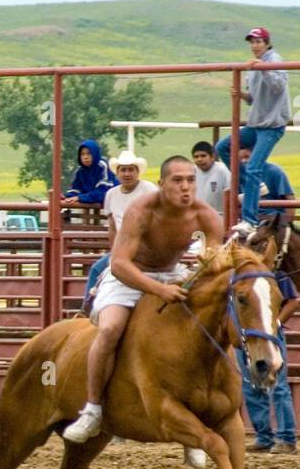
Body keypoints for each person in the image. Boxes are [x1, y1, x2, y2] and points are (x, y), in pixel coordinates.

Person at [65, 156, 224, 442]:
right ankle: (92, 409)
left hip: (173, 272)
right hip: (130, 275)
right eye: (177, 181)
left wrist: (210, 257)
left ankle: (195, 416)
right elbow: (119, 264)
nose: (186, 187)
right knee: (111, 328)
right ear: (161, 185)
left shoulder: (205, 215)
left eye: (190, 180)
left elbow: (214, 251)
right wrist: (159, 290)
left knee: (202, 327)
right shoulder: (141, 210)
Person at [216, 27, 291, 238]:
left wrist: (263, 68)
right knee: (223, 147)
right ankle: (253, 187)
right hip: (257, 123)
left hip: (272, 125)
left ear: (267, 43)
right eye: (252, 42)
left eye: (258, 42)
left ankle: (249, 220)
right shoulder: (252, 66)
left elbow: (277, 86)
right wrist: (241, 95)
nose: (254, 46)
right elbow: (255, 98)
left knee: (254, 167)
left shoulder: (274, 60)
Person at [84, 149, 158, 306]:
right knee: (97, 270)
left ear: (138, 172)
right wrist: (115, 252)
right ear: (117, 173)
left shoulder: (149, 190)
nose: (127, 174)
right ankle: (88, 308)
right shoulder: (111, 194)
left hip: (146, 248)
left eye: (131, 169)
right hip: (123, 249)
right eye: (123, 170)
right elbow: (112, 226)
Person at [242, 273, 300, 454]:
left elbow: (293, 302)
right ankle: (265, 437)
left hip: (267, 334)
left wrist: (274, 324)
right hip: (248, 335)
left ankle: (286, 437)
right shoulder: (243, 274)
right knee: (250, 385)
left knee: (277, 384)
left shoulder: (275, 272)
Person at [62, 139, 117, 208]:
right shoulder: (80, 171)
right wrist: (66, 197)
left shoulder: (102, 166)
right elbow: (76, 189)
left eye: (89, 153)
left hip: (113, 205)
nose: (86, 157)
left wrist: (80, 198)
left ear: (95, 153)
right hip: (91, 208)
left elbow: (102, 193)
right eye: (82, 154)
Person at [192, 140, 231, 218]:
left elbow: (231, 192)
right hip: (197, 217)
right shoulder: (192, 171)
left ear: (212, 157)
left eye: (203, 156)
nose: (199, 159)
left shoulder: (222, 170)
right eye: (196, 157)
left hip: (219, 217)